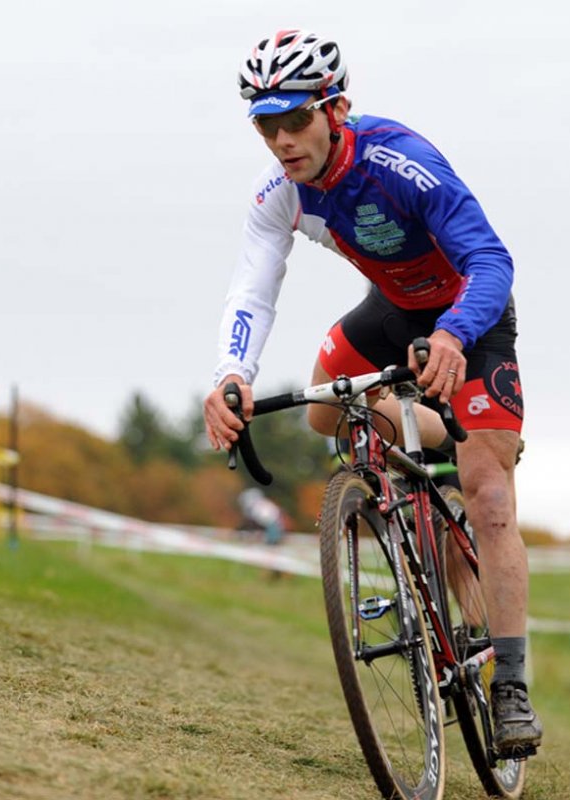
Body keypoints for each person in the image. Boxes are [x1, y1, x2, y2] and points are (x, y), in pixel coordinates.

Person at [202, 29, 542, 756]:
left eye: (296, 120)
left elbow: (491, 260)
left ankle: (510, 686)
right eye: (267, 124)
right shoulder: (281, 196)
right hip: (391, 312)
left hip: (470, 321)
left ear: (337, 107)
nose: (283, 139)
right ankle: (423, 442)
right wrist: (233, 374)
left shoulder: (402, 165)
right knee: (326, 408)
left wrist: (452, 336)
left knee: (487, 495)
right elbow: (252, 287)